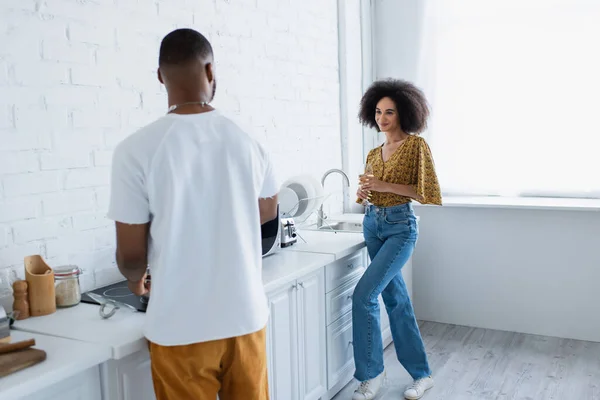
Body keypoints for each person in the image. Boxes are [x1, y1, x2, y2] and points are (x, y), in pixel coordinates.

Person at [107, 28, 279, 400]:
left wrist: (136, 281)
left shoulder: (134, 150)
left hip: (179, 327)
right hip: (245, 320)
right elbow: (267, 214)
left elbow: (132, 255)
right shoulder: (249, 141)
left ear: (159, 77)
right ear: (211, 71)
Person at [352, 78, 442, 400]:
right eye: (377, 112)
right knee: (396, 301)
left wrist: (384, 186)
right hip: (372, 225)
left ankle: (371, 376)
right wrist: (363, 192)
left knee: (363, 296)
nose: (382, 118)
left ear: (404, 112)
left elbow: (425, 192)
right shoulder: (374, 152)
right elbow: (368, 193)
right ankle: (422, 375)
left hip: (400, 228)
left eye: (389, 112)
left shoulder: (416, 146)